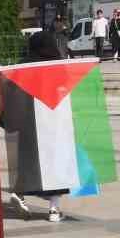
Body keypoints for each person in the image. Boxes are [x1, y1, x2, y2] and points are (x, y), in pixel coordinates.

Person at [20, 20, 71, 222]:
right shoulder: (58, 68)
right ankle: (54, 209)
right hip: (55, 125)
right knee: (56, 166)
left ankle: (21, 195)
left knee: (29, 163)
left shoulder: (25, 67)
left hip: (30, 124)